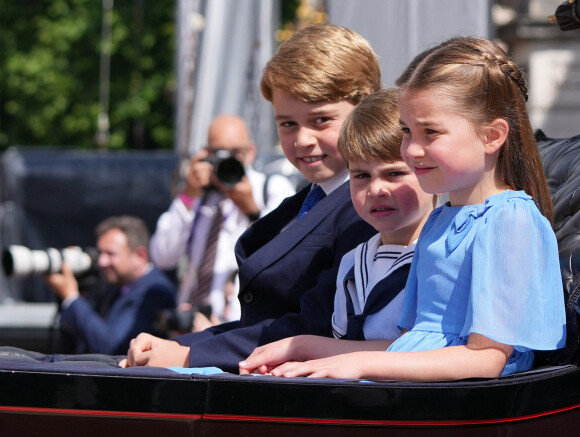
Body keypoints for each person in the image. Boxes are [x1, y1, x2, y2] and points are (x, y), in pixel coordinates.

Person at [239, 36, 567, 380]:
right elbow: (411, 346)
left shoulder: (508, 220)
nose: (411, 150)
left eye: (430, 132)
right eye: (408, 131)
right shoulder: (442, 219)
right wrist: (305, 348)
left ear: (492, 136)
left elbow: (486, 359)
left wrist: (356, 364)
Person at [121, 24, 380, 372]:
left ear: (367, 111)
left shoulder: (371, 208)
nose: (302, 139)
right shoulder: (307, 201)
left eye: (320, 120)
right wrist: (177, 345)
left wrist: (188, 356)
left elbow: (316, 323)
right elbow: (264, 322)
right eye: (287, 124)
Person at [239, 88, 435, 375]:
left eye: (394, 173)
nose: (377, 189)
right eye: (361, 176)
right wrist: (296, 355)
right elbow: (343, 343)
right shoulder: (353, 263)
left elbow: (429, 352)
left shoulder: (442, 255)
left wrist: (306, 349)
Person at [150, 114, 294, 331]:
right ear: (206, 154)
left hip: (238, 327)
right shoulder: (199, 196)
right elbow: (163, 256)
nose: (227, 160)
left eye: (235, 153)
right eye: (218, 153)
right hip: (187, 324)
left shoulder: (271, 189)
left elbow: (287, 258)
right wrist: (188, 196)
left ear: (251, 152)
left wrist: (252, 211)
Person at [45, 216, 176, 355]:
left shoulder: (154, 292)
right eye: (100, 253)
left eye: (110, 254)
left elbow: (111, 346)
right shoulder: (116, 284)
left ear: (140, 255)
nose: (102, 262)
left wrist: (71, 297)